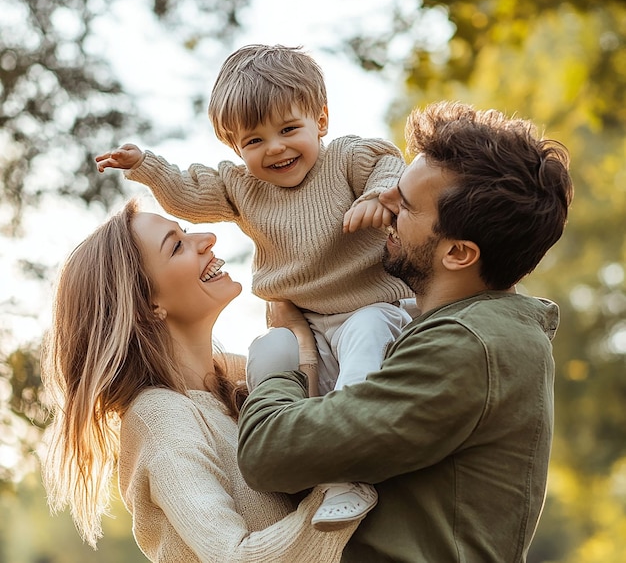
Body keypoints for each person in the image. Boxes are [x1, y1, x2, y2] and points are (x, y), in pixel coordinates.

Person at [236, 100, 574, 562]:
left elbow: (271, 453)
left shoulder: (466, 345)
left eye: (407, 203)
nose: (384, 201)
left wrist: (279, 362)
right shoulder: (444, 328)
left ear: (458, 253)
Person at [94, 43, 416, 526]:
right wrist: (145, 165)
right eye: (254, 141)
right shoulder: (243, 187)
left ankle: (352, 473)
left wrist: (378, 198)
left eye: (289, 130)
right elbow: (189, 191)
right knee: (305, 394)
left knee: (363, 358)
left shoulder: (347, 158)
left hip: (370, 305)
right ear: (235, 147)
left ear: (321, 120)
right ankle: (327, 480)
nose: (276, 148)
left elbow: (389, 165)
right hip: (306, 320)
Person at [40, 199, 361, 563]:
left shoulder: (241, 377)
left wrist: (299, 335)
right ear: (148, 305)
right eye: (177, 245)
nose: (207, 238)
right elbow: (234, 557)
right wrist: (352, 483)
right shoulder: (160, 417)